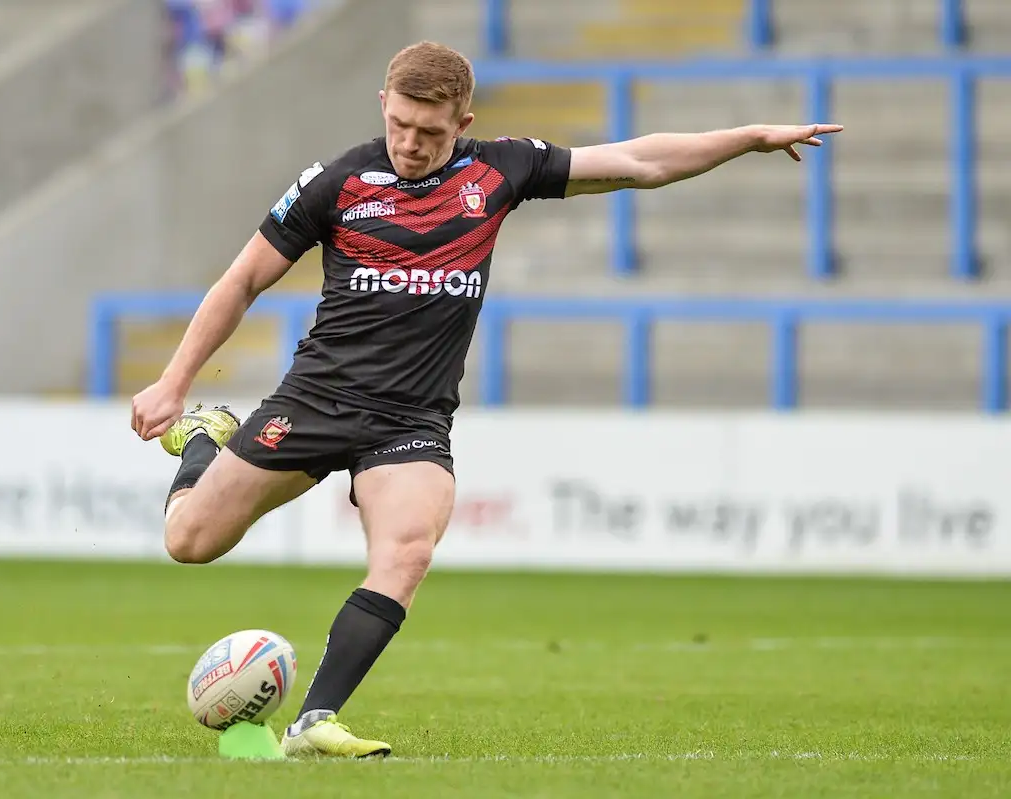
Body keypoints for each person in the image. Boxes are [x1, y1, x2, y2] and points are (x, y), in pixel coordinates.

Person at [130, 40, 842, 758]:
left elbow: (637, 162)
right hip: (316, 401)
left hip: (409, 421)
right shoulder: (334, 182)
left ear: (462, 122)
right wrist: (174, 382)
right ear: (384, 103)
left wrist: (747, 138)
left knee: (407, 550)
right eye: (401, 123)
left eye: (431, 131)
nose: (410, 143)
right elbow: (242, 280)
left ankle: (314, 722)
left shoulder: (499, 170)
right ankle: (202, 435)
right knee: (189, 541)